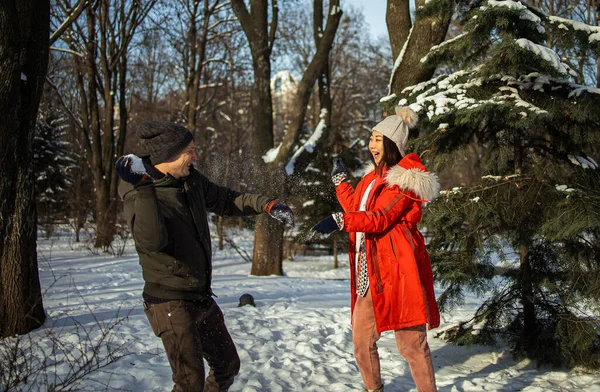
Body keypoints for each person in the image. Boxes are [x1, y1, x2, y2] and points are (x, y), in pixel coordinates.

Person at [115, 121, 294, 392]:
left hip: (199, 295)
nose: (196, 157)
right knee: (189, 382)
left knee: (227, 365)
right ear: (169, 155)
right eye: (190, 151)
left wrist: (266, 204)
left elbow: (225, 199)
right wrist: (143, 189)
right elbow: (152, 241)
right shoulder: (138, 193)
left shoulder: (190, 181)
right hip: (170, 302)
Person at [307, 106, 440, 392]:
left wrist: (339, 221)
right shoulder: (370, 178)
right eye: (370, 139)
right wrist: (341, 184)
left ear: (392, 143)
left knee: (411, 345)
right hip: (370, 272)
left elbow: (380, 218)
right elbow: (358, 210)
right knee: (361, 341)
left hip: (398, 270)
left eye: (378, 139)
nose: (371, 145)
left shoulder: (404, 179)